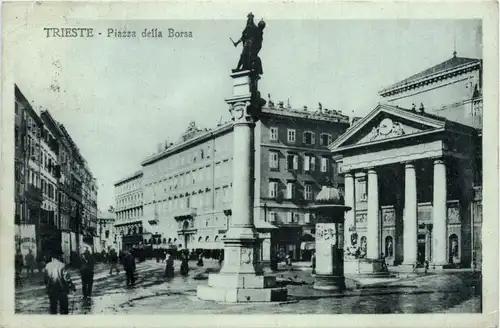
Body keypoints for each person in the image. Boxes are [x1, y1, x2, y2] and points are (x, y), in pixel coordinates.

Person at [44, 249, 76, 314]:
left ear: (52, 257)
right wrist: (72, 287)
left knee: (53, 309)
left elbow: (45, 279)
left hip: (52, 290)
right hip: (62, 290)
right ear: (59, 256)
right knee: (64, 309)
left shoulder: (47, 266)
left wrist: (48, 287)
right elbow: (67, 278)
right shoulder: (62, 265)